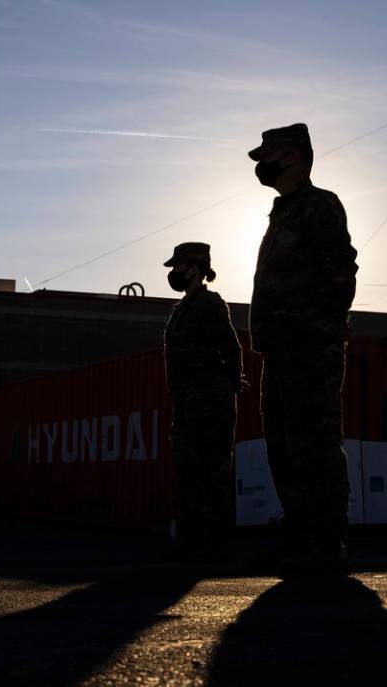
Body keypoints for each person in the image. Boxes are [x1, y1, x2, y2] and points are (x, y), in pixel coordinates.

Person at [247, 123, 358, 574]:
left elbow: (340, 275)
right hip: (280, 349)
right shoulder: (282, 214)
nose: (262, 166)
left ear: (292, 156)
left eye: (268, 155)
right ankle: (300, 536)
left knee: (315, 445)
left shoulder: (319, 206)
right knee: (283, 446)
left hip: (309, 347)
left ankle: (326, 544)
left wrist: (320, 332)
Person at [163, 241, 243, 564]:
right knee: (189, 474)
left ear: (195, 267)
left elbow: (231, 348)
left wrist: (229, 385)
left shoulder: (209, 305)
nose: (174, 273)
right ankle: (192, 543)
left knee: (213, 475)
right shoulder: (182, 310)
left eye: (178, 267)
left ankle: (215, 547)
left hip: (210, 406)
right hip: (187, 406)